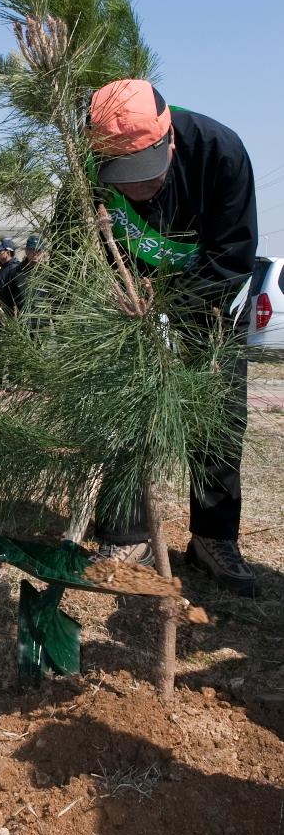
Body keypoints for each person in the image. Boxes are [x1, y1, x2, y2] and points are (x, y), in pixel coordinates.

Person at [87, 78, 258, 597]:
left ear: (169, 141)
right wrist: (121, 303)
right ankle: (123, 532)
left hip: (207, 300)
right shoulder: (87, 169)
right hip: (125, 302)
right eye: (124, 178)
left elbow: (233, 254)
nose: (136, 189)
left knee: (218, 413)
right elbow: (82, 243)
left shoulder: (220, 151)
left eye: (145, 175)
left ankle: (212, 537)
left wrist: (168, 306)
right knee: (121, 406)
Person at [0, 238, 25, 315]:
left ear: (8, 252)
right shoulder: (3, 268)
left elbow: (19, 296)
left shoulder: (15, 269)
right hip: (1, 314)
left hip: (10, 317)